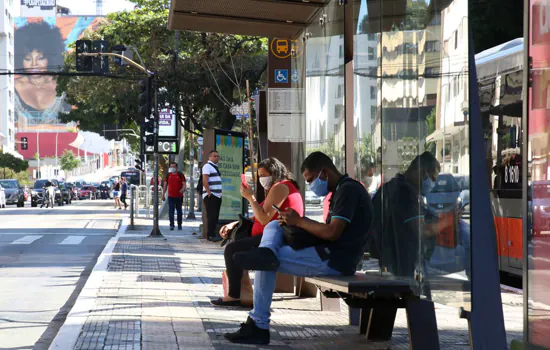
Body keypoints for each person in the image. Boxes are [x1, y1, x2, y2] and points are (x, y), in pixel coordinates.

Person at [224, 152, 373, 345]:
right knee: (273, 228)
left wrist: (300, 221)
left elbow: (332, 233)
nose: (311, 185)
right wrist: (294, 222)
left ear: (325, 172)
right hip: (326, 253)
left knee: (264, 261)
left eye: (311, 180)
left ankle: (258, 325)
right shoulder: (340, 190)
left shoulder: (348, 190)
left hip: (335, 259)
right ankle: (266, 253)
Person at [210, 157, 304, 307]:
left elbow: (264, 218)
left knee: (232, 249)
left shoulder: (281, 187)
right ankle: (239, 291)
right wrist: (234, 223)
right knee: (236, 244)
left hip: (277, 237)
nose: (261, 179)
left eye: (263, 175)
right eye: (259, 176)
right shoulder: (277, 187)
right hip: (269, 235)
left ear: (274, 173)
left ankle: (234, 295)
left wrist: (250, 197)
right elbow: (258, 215)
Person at [370, 151, 441, 279]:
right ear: (423, 172)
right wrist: (448, 221)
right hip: (402, 267)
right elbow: (421, 230)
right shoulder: (405, 192)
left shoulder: (390, 187)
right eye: (432, 178)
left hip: (389, 264)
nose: (432, 184)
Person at [14, 21, 71, 125]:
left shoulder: (64, 87)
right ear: (20, 60)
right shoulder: (9, 89)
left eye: (40, 58)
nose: (34, 64)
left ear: (50, 58)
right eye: (28, 58)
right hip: (18, 142)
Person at [202, 150, 223, 242]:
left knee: (215, 215)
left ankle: (213, 234)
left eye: (218, 156)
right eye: (214, 156)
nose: (216, 158)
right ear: (210, 157)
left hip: (217, 195)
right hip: (212, 195)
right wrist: (209, 193)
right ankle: (210, 235)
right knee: (211, 215)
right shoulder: (207, 166)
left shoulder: (215, 167)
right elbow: (205, 180)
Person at [162, 162, 187, 231]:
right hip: (170, 196)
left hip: (179, 196)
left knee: (179, 211)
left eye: (174, 167)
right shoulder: (168, 175)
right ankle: (172, 225)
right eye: (171, 167)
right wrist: (163, 194)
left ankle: (179, 225)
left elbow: (184, 184)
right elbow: (165, 185)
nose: (172, 168)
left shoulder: (180, 175)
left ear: (176, 168)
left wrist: (183, 189)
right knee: (171, 211)